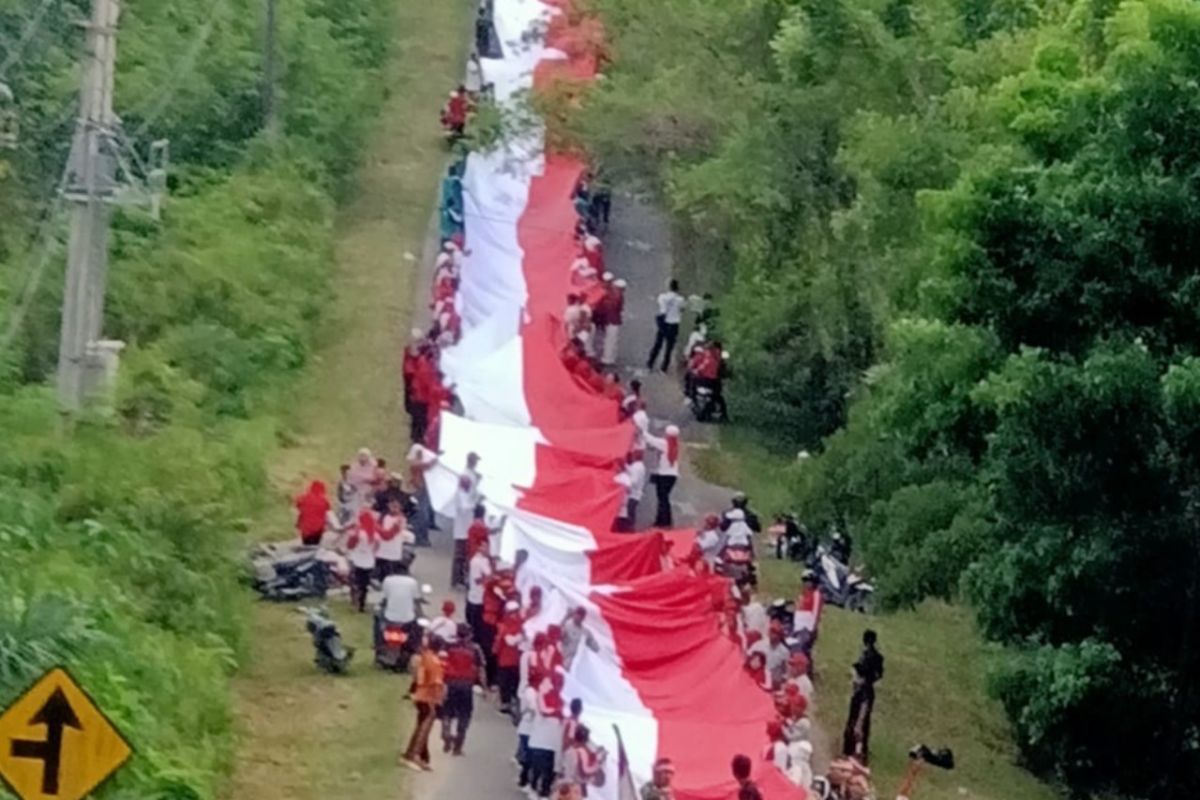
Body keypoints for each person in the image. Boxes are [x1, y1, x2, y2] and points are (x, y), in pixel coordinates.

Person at [402, 633, 445, 770]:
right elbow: (436, 683)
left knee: (419, 726)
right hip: (428, 698)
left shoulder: (425, 657)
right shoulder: (435, 662)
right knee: (424, 729)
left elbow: (418, 677)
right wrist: (438, 699)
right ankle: (415, 755)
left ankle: (409, 754)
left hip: (419, 695)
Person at [442, 623, 486, 755]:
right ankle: (458, 746)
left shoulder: (449, 646)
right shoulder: (475, 649)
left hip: (450, 683)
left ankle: (446, 731)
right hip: (466, 685)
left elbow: (442, 662)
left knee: (447, 711)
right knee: (464, 715)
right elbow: (481, 669)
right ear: (469, 635)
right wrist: (484, 687)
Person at [842, 630, 884, 764]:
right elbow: (879, 674)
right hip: (868, 691)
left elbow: (861, 669)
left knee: (856, 720)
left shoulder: (865, 656)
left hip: (862, 692)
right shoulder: (878, 657)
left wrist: (860, 677)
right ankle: (860, 749)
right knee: (864, 721)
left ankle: (852, 749)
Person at [526, 671, 565, 799]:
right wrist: (557, 711)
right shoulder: (542, 695)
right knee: (537, 766)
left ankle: (544, 792)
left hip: (552, 742)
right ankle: (532, 787)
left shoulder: (561, 699)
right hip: (540, 739)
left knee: (549, 769)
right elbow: (543, 710)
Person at [451, 456, 483, 588]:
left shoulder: (472, 475)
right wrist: (475, 503)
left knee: (466, 552)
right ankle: (456, 579)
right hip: (463, 520)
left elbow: (472, 494)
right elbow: (464, 500)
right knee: (460, 552)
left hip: (467, 520)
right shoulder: (465, 476)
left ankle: (461, 578)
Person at [644, 425, 681, 527]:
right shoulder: (674, 445)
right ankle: (664, 520)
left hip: (663, 475)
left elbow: (650, 439)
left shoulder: (664, 443)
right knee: (664, 498)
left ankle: (663, 521)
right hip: (672, 476)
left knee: (662, 499)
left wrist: (641, 429)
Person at [646, 279, 686, 372]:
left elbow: (662, 309)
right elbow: (682, 309)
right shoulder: (680, 299)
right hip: (674, 324)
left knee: (658, 344)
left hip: (664, 323)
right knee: (669, 347)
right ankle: (664, 366)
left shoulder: (662, 297)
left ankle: (650, 362)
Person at [494, 600, 524, 712]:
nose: (514, 615)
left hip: (515, 659)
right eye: (512, 613)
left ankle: (510, 701)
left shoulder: (519, 625)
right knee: (505, 682)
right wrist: (521, 636)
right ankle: (505, 702)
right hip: (505, 659)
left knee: (513, 681)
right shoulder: (505, 626)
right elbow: (509, 641)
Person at [406, 442, 438, 546]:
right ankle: (420, 537)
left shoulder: (415, 463)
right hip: (420, 489)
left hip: (420, 488)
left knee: (422, 512)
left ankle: (420, 536)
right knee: (421, 514)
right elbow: (428, 465)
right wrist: (437, 458)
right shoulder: (415, 463)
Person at [560, 724, 605, 798]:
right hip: (576, 782)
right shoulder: (582, 750)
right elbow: (586, 770)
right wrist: (597, 764)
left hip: (568, 780)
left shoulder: (571, 747)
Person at [346, 510, 378, 612]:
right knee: (364, 584)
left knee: (355, 582)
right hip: (369, 561)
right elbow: (376, 548)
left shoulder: (358, 533)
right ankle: (362, 604)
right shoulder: (374, 535)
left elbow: (350, 545)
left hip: (357, 559)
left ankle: (354, 603)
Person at [376, 497, 413, 578]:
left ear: (400, 508)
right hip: (382, 550)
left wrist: (376, 527)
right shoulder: (385, 517)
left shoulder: (400, 520)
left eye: (395, 506)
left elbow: (388, 535)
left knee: (389, 574)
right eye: (391, 506)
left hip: (392, 552)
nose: (393, 508)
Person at [294, 480, 330, 546]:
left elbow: (297, 504)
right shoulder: (324, 500)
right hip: (318, 529)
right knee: (315, 547)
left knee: (306, 545)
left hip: (306, 528)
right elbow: (328, 509)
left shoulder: (304, 497)